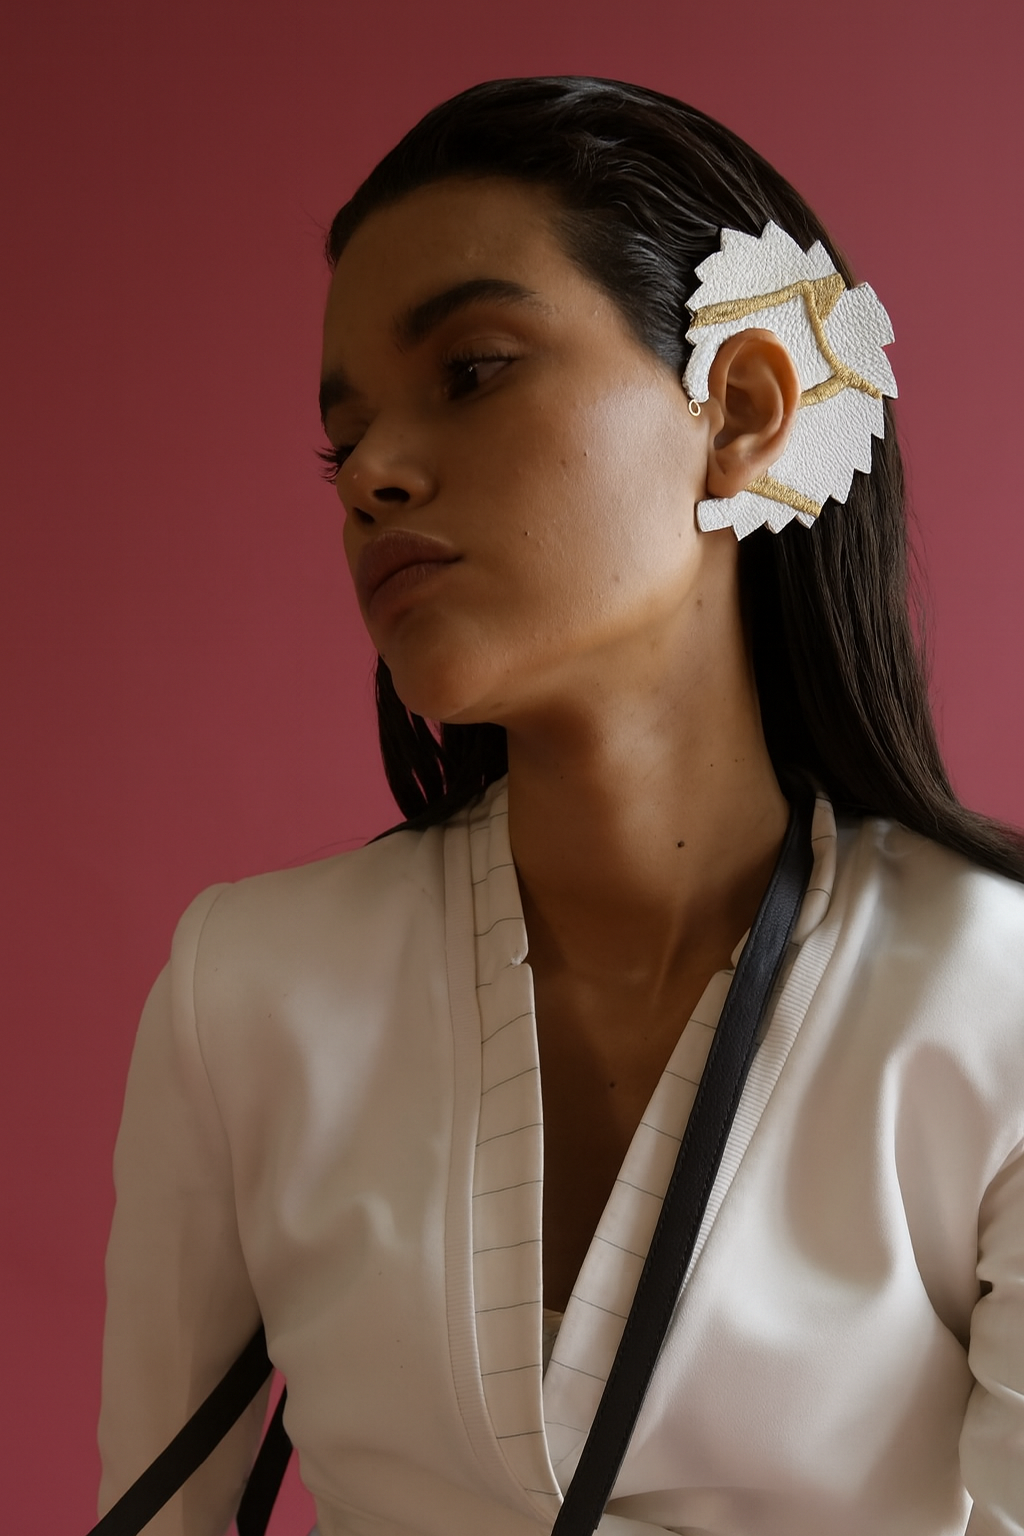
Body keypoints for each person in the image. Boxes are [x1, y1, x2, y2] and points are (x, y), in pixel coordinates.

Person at [97, 77, 1024, 1536]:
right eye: (344, 442)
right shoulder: (248, 990)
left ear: (745, 405)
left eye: (471, 370)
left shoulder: (998, 995)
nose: (372, 476)